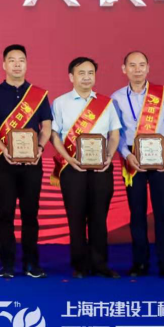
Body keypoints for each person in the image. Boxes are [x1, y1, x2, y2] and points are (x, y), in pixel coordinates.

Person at [0, 44, 52, 279]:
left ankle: (32, 263)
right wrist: (4, 149)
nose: (17, 64)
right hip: (4, 162)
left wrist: (40, 148)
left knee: (31, 213)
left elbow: (46, 126)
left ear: (27, 64)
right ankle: (7, 264)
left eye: (21, 60)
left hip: (32, 162)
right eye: (12, 60)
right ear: (4, 64)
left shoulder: (38, 95)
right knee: (5, 213)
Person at [111, 51, 164, 280]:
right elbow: (115, 132)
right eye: (132, 65)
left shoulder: (163, 93)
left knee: (163, 212)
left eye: (142, 65)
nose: (137, 69)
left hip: (162, 157)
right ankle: (140, 263)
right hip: (132, 159)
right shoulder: (116, 98)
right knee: (137, 212)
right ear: (124, 69)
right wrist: (125, 155)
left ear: (148, 68)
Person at [51, 57, 121, 279]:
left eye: (91, 73)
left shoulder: (106, 103)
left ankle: (100, 264)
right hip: (73, 167)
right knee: (76, 217)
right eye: (81, 73)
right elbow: (54, 135)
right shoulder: (60, 103)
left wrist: (109, 156)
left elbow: (114, 134)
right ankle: (80, 265)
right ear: (71, 77)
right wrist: (67, 158)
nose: (86, 77)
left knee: (99, 217)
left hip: (101, 167)